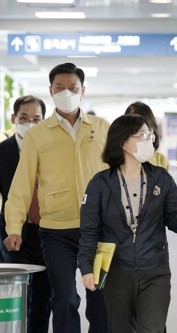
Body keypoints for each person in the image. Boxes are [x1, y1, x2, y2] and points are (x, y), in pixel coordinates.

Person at [4, 63, 110, 333]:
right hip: (56, 231)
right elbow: (22, 183)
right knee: (64, 299)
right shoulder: (38, 135)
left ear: (83, 90)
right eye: (60, 88)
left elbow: (118, 176)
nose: (66, 93)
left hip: (98, 229)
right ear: (51, 91)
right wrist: (14, 227)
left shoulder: (102, 128)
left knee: (100, 299)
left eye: (72, 88)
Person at [78, 114, 177, 333]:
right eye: (143, 135)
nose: (150, 140)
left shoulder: (161, 179)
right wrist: (86, 268)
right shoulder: (100, 184)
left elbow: (175, 217)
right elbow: (89, 230)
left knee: (151, 328)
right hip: (117, 271)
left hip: (155, 269)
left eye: (151, 134)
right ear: (124, 142)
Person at [0, 95, 51, 333]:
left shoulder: (52, 151)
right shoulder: (3, 152)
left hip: (48, 232)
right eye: (24, 118)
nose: (30, 123)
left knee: (44, 296)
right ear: (14, 119)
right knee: (16, 292)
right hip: (14, 233)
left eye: (36, 119)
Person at [125, 101, 169, 171]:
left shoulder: (160, 160)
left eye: (147, 134)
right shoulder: (114, 161)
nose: (142, 139)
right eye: (138, 133)